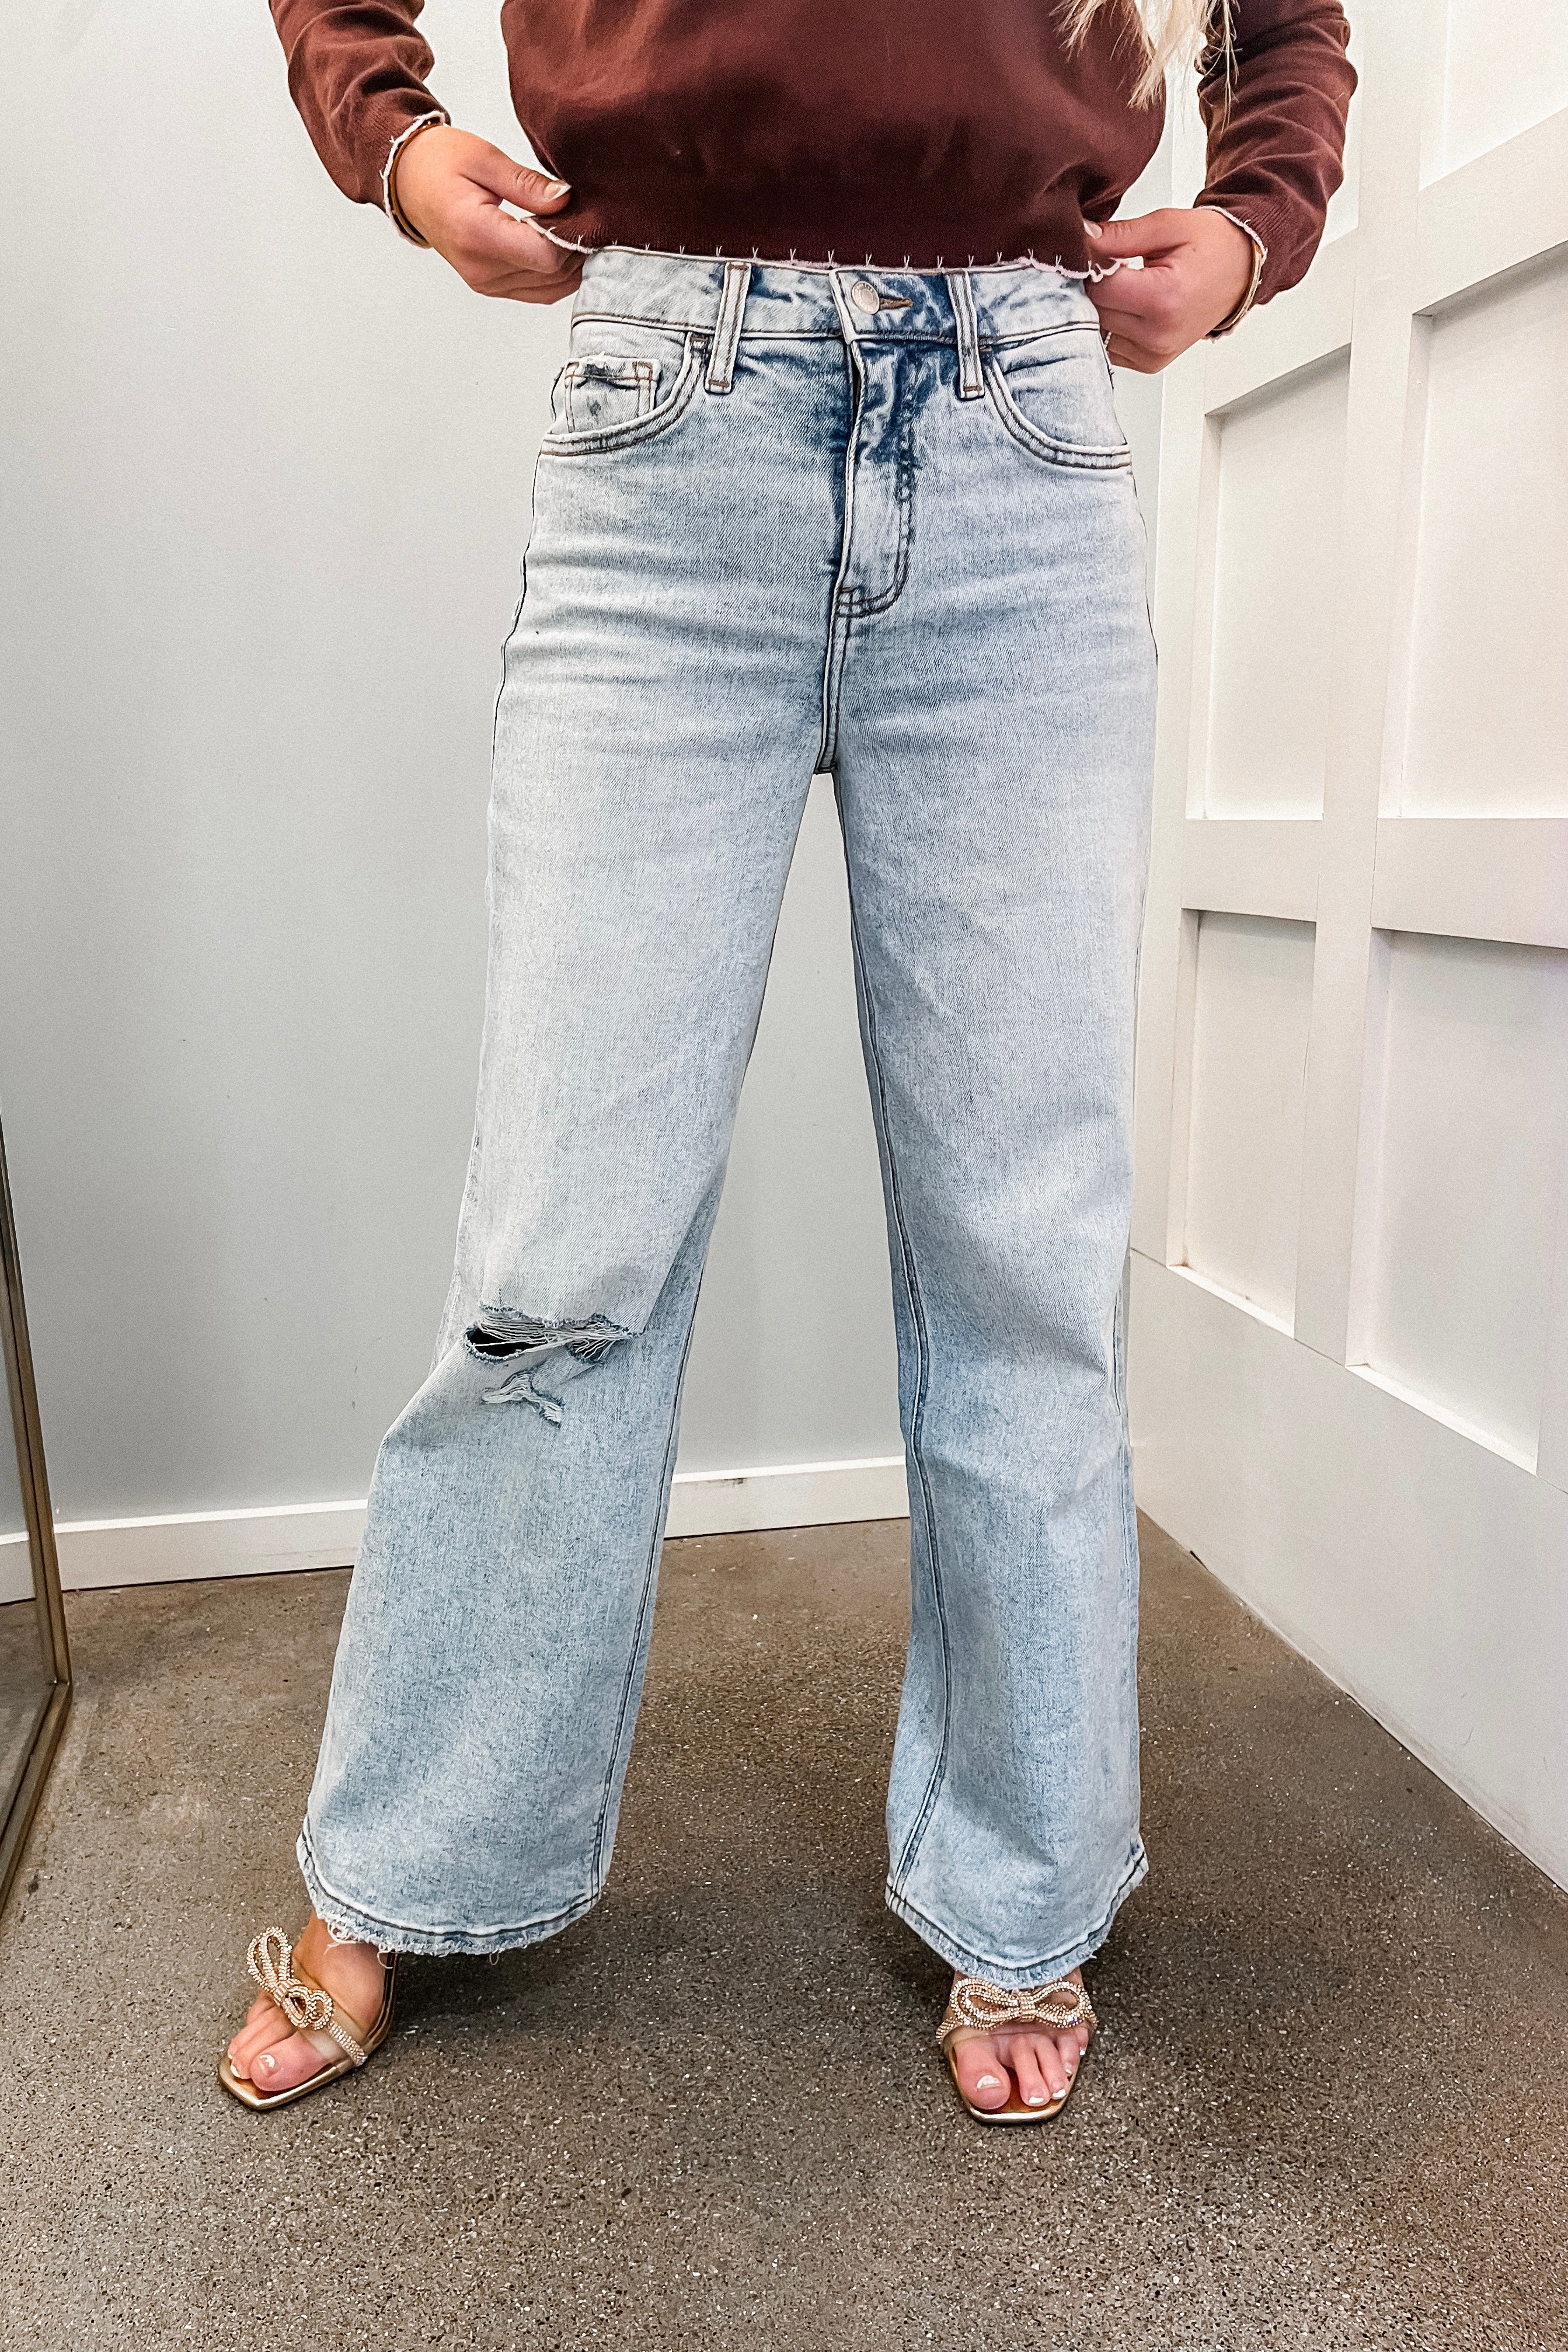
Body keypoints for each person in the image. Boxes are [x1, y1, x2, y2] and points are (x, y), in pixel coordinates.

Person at [222, 0, 1353, 2121]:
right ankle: (413, 1856)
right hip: (673, 412)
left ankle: (1022, 1886)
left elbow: (1285, 22)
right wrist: (392, 137)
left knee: (1023, 1254)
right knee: (561, 1241)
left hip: (1019, 422)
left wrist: (1257, 216)